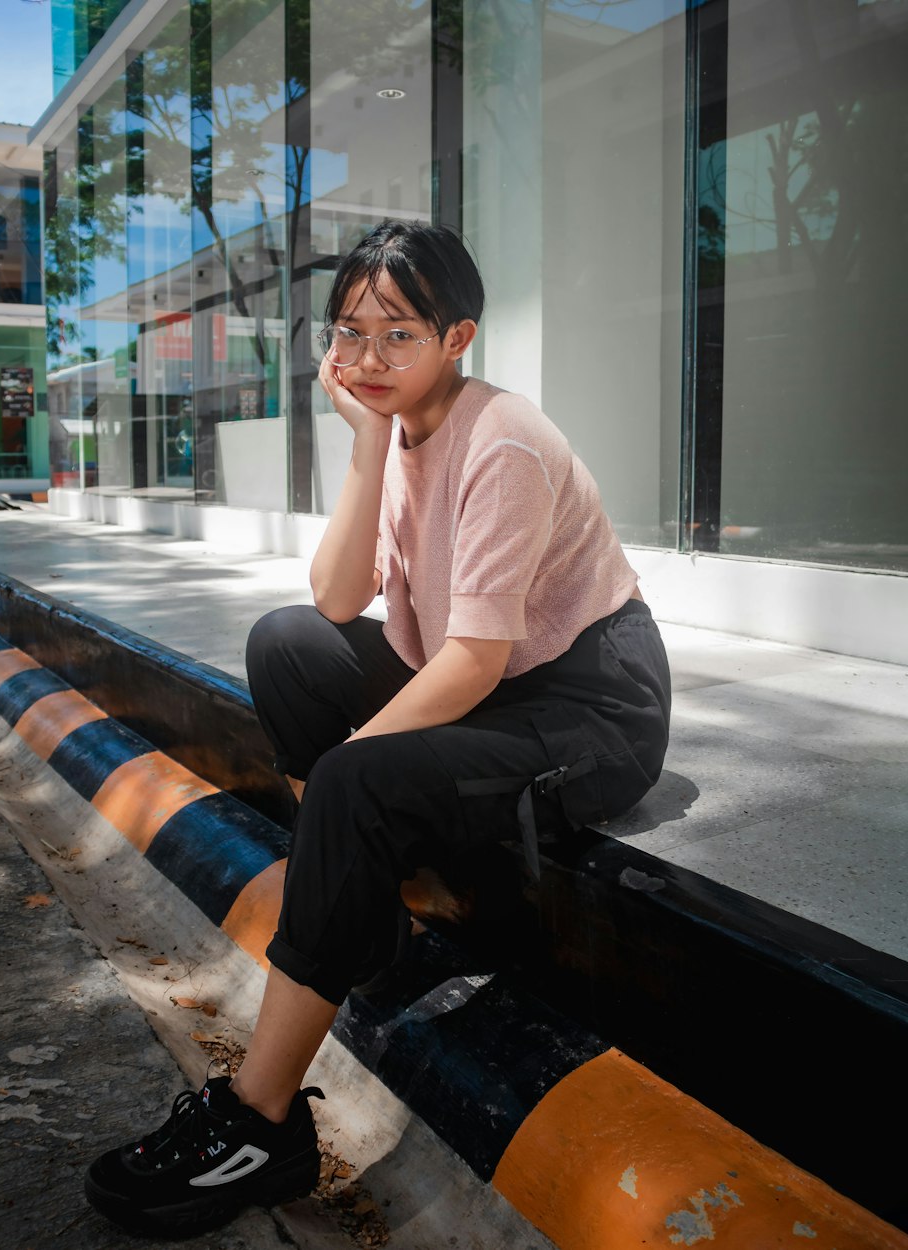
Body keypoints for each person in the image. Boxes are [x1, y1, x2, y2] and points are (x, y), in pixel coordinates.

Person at [84, 220, 672, 1237]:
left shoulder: (505, 441)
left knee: (355, 781)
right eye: (350, 332)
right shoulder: (394, 428)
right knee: (285, 643)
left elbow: (474, 662)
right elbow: (335, 593)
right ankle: (368, 908)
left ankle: (261, 1118)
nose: (366, 356)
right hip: (496, 679)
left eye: (397, 333)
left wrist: (356, 772)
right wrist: (361, 441)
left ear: (459, 337)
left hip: (590, 702)